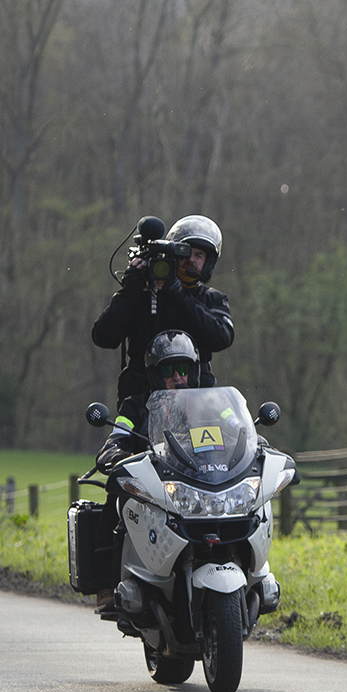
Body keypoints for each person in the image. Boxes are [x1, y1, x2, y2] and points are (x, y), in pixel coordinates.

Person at [93, 329, 202, 610]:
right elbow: (116, 439)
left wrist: (255, 441)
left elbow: (238, 430)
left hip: (199, 484)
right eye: (169, 369)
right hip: (154, 486)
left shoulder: (208, 404)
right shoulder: (135, 406)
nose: (178, 377)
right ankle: (108, 583)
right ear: (155, 373)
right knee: (116, 499)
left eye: (184, 369)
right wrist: (117, 454)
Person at [92, 215, 234, 402]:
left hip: (198, 403)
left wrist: (178, 294)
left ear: (208, 262)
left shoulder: (212, 299)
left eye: (199, 255)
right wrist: (129, 291)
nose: (191, 260)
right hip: (140, 405)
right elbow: (103, 337)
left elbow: (221, 338)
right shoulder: (141, 296)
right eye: (186, 252)